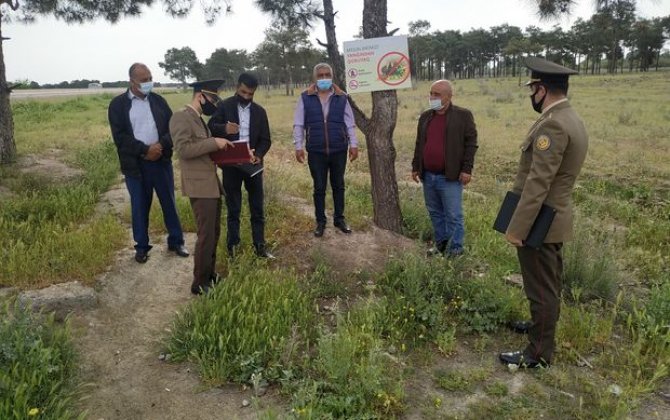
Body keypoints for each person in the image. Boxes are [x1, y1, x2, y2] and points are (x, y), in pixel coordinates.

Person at [499, 57, 588, 368]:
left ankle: (537, 353)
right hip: (553, 215)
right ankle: (540, 331)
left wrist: (517, 228)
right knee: (547, 284)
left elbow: (538, 183)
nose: (531, 96)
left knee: (541, 289)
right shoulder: (570, 117)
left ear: (541, 89)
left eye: (532, 89)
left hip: (541, 220)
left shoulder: (553, 123)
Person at [108, 62, 189, 264]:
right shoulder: (118, 106)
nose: (149, 83)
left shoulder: (159, 101)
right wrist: (145, 150)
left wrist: (160, 145)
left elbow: (173, 129)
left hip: (161, 162)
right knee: (139, 207)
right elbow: (120, 138)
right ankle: (142, 247)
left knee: (169, 202)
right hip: (136, 166)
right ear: (132, 81)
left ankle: (176, 241)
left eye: (150, 78)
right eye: (144, 80)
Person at [169, 79, 233, 295]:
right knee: (206, 234)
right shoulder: (181, 117)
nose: (214, 104)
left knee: (214, 232)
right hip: (199, 186)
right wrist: (214, 142)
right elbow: (183, 150)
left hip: (210, 183)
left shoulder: (199, 120)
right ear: (200, 96)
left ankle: (209, 273)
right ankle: (199, 283)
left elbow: (202, 150)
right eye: (212, 99)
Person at [208, 73, 274, 259]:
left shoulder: (260, 112)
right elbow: (210, 126)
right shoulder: (224, 106)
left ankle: (260, 247)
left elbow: (266, 140)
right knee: (233, 208)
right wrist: (224, 129)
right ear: (237, 87)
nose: (246, 97)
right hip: (231, 166)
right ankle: (233, 249)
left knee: (257, 208)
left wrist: (259, 155)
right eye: (243, 92)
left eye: (250, 94)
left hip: (253, 167)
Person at [411, 80, 478, 257]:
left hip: (450, 177)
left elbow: (471, 144)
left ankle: (455, 251)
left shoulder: (463, 116)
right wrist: (415, 166)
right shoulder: (426, 117)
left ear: (449, 96)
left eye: (437, 94)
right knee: (435, 213)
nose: (432, 97)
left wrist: (467, 169)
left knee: (453, 216)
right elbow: (420, 143)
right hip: (428, 176)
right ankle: (441, 245)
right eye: (431, 93)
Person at [292, 63, 359, 237]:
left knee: (339, 185)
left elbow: (350, 123)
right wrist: (298, 146)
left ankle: (339, 219)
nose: (324, 78)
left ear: (332, 76)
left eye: (327, 75)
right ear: (315, 78)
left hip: (338, 149)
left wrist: (354, 144)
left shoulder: (341, 97)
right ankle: (320, 222)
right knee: (319, 187)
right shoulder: (305, 97)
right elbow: (299, 124)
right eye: (320, 75)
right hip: (316, 150)